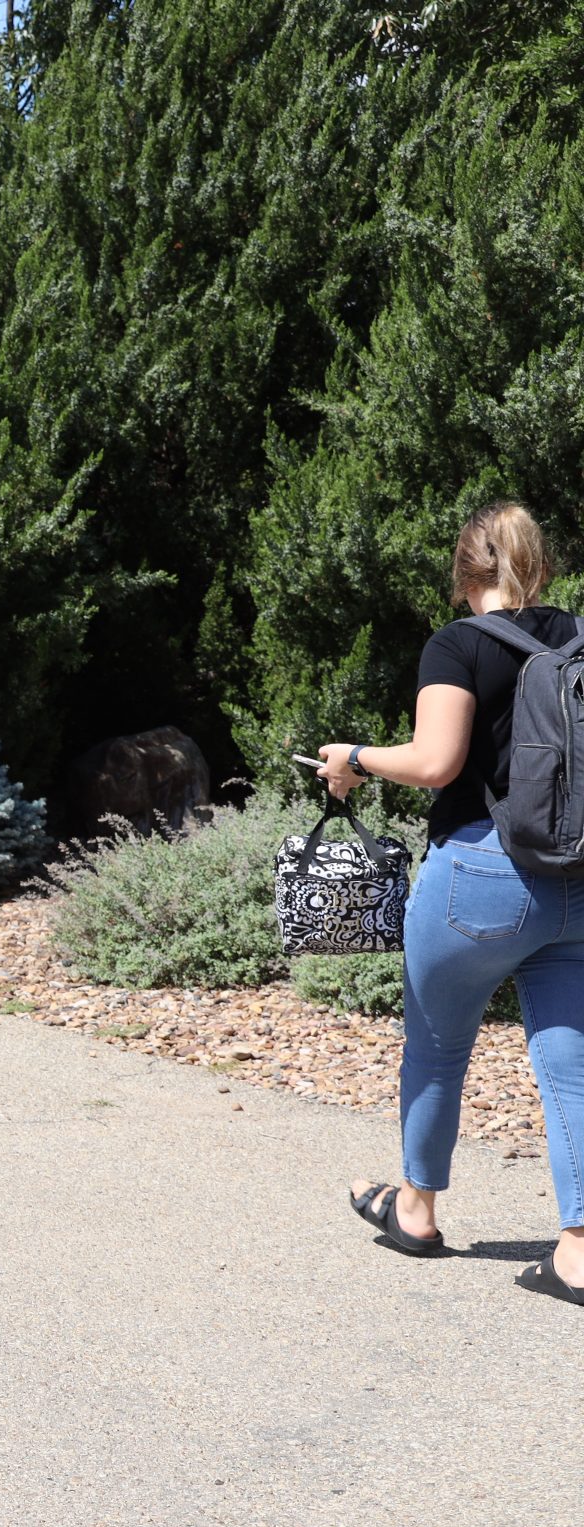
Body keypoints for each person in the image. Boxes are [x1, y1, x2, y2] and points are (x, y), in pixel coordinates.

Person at [315, 501, 584, 1306]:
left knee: (435, 1045)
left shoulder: (457, 643)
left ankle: (418, 1210)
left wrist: (353, 757)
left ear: (467, 572)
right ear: (539, 564)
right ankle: (577, 1248)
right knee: (572, 1063)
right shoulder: (578, 636)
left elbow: (437, 761)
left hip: (482, 876)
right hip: (577, 880)